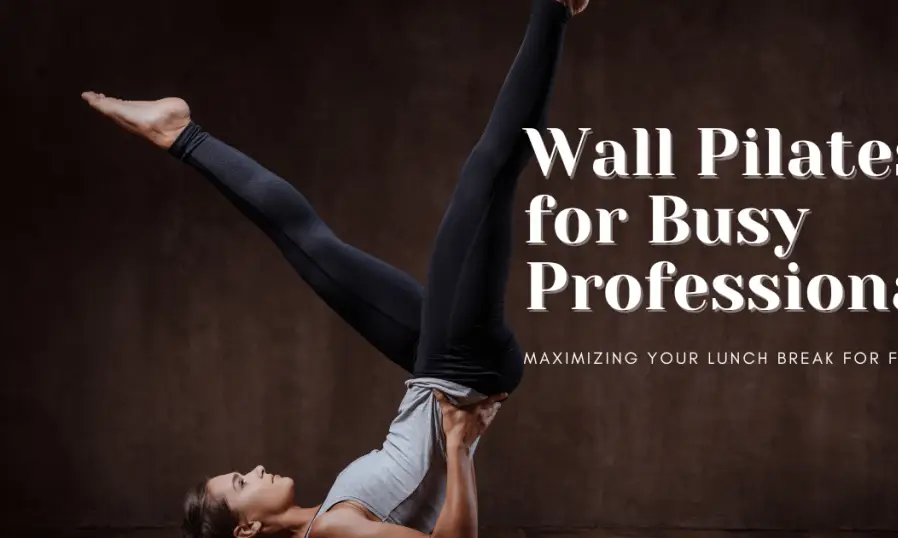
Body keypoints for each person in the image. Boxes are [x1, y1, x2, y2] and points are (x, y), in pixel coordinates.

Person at [81, 1, 587, 537]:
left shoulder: (322, 519)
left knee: (311, 242)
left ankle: (181, 134)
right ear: (246, 528)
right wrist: (459, 446)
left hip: (434, 367)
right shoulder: (331, 533)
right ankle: (553, 7)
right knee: (489, 171)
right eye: (239, 483)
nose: (252, 469)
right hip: (461, 368)